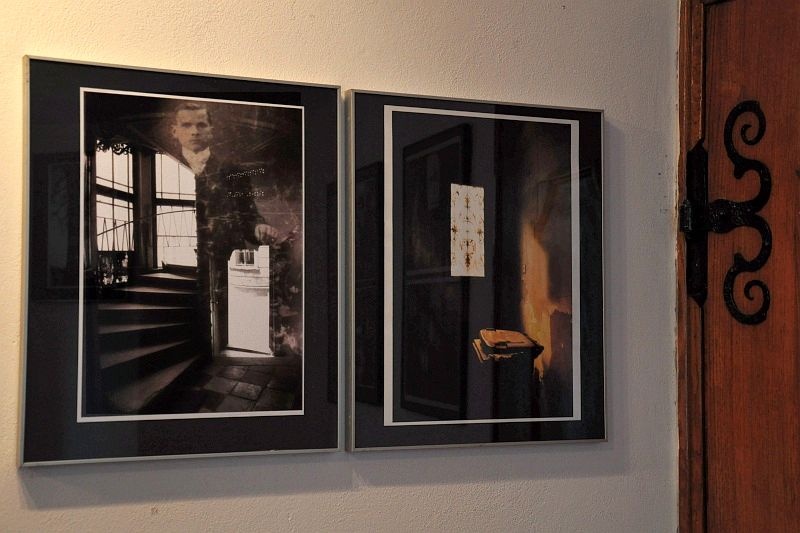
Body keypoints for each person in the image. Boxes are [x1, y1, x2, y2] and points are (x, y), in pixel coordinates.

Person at [170, 101, 277, 354]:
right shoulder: (168, 167)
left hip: (224, 263)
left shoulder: (233, 172)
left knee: (223, 335)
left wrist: (259, 227)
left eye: (201, 124)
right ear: (174, 131)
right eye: (186, 125)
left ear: (212, 130)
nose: (194, 131)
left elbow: (248, 214)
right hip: (181, 263)